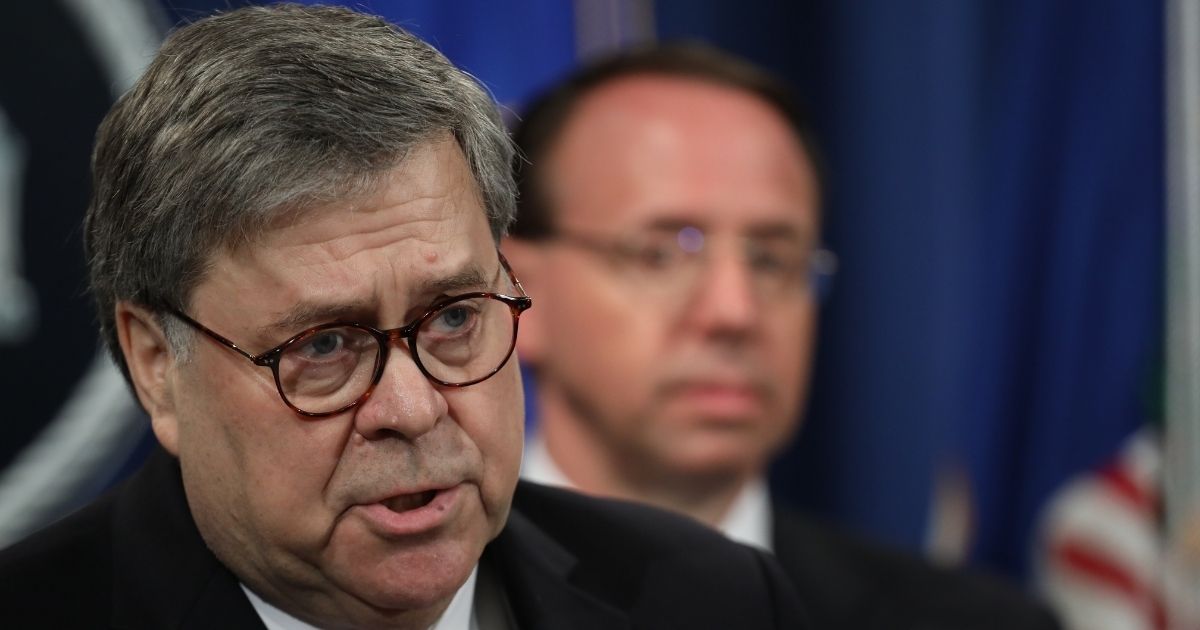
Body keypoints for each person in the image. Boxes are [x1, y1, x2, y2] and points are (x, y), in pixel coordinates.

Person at [0, 6, 808, 628]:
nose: (415, 408)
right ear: (155, 364)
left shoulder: (712, 599)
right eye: (325, 345)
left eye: (454, 318)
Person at [504, 43, 1062, 629]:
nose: (734, 311)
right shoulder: (427, 601)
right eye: (660, 253)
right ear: (519, 292)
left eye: (772, 260)